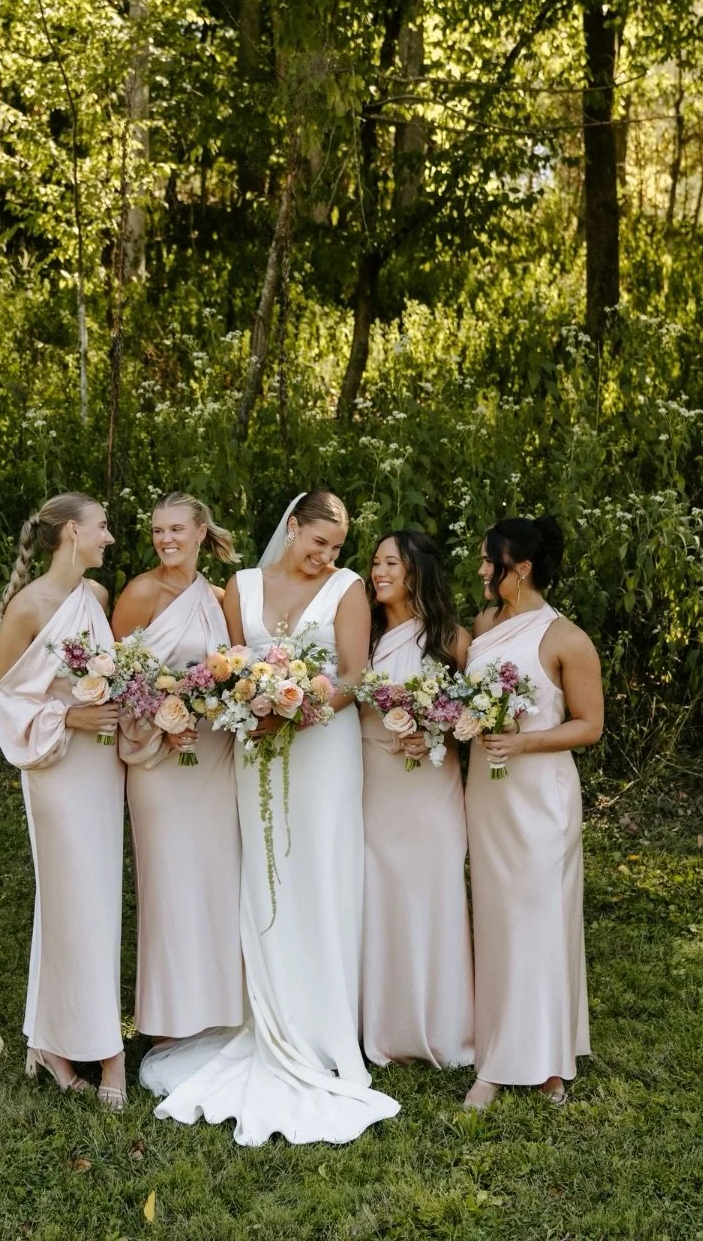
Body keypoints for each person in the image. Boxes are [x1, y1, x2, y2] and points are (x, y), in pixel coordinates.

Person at [139, 491, 400, 1145]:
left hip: (325, 749)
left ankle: (324, 1026)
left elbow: (355, 675)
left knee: (322, 868)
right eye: (318, 543)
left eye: (336, 548)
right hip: (256, 745)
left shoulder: (346, 589)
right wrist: (253, 704)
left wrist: (301, 710)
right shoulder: (242, 586)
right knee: (267, 875)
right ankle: (269, 1013)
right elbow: (228, 668)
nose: (327, 557)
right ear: (292, 527)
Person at [0, 492, 127, 1108]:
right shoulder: (26, 609)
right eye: (102, 527)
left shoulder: (96, 599)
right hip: (56, 766)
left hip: (101, 769)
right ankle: (108, 1053)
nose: (110, 538)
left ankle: (54, 1040)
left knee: (97, 899)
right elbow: (9, 703)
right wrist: (71, 714)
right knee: (74, 899)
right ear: (73, 532)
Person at [462, 515, 603, 1111]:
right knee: (497, 919)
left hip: (541, 795)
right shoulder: (484, 624)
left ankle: (549, 1060)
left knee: (542, 917)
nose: (480, 569)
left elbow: (589, 726)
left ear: (519, 569)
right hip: (487, 793)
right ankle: (495, 1054)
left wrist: (522, 742)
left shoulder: (567, 638)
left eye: (488, 560)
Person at [111, 492, 244, 1042]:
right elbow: (114, 675)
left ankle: (218, 1016)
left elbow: (236, 670)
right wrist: (161, 720)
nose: (166, 540)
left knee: (217, 880)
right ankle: (167, 1024)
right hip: (160, 763)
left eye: (176, 530)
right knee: (169, 883)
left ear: (199, 533)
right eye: (157, 531)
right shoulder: (141, 592)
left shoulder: (217, 597)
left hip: (212, 758)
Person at [360, 531, 474, 1068]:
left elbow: (477, 715)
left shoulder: (451, 638)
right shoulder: (362, 635)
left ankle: (442, 1025)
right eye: (375, 562)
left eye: (391, 563)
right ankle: (382, 1026)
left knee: (434, 892)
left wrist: (438, 732)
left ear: (417, 571)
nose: (379, 571)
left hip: (430, 786)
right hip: (375, 786)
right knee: (380, 895)